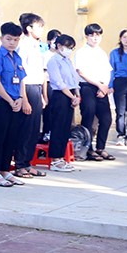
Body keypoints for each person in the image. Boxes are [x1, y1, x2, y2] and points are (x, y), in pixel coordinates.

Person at [0, 22, 29, 187]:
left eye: (15, 40)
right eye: (9, 39)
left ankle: (5, 170)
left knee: (11, 138)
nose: (12, 42)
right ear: (1, 38)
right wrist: (10, 100)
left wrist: (20, 98)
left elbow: (21, 81)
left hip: (14, 102)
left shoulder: (16, 57)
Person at [13, 13, 48, 179]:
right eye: (38, 26)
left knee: (35, 129)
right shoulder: (23, 45)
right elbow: (21, 74)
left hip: (37, 88)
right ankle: (20, 164)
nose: (41, 30)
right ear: (28, 28)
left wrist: (42, 93)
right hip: (26, 88)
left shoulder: (36, 45)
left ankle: (28, 163)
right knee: (25, 129)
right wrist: (24, 98)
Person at [73, 24, 114, 161]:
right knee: (88, 118)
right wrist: (98, 85)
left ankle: (101, 147)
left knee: (106, 119)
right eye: (92, 35)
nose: (95, 38)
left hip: (102, 88)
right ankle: (88, 149)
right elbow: (81, 72)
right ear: (86, 37)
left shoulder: (102, 52)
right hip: (87, 87)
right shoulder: (81, 52)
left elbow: (108, 71)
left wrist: (105, 87)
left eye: (98, 35)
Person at [45, 34, 80, 172]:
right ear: (59, 46)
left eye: (72, 48)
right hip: (61, 95)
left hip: (71, 94)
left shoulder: (68, 61)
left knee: (66, 128)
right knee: (58, 127)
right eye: (67, 47)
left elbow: (73, 79)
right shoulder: (53, 61)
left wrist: (77, 95)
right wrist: (72, 96)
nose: (69, 50)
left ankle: (61, 157)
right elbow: (58, 82)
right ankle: (55, 159)